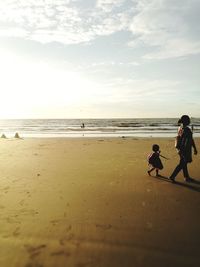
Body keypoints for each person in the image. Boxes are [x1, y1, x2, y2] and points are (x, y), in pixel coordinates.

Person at [169, 115, 198, 182]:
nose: (190, 121)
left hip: (179, 148)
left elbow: (181, 138)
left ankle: (186, 177)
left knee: (183, 163)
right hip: (185, 149)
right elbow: (190, 140)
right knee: (182, 163)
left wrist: (180, 150)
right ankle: (172, 176)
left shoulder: (180, 128)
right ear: (186, 121)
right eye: (189, 120)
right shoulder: (187, 130)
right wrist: (195, 149)